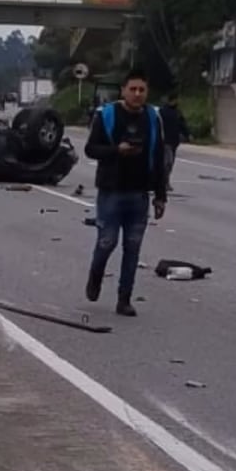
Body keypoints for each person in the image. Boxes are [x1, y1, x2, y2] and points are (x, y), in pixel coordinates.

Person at [83, 70, 168, 316]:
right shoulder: (106, 115)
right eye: (133, 89)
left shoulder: (154, 118)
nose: (137, 94)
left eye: (142, 90)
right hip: (112, 192)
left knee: (133, 247)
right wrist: (116, 150)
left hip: (140, 193)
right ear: (123, 90)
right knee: (107, 242)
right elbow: (90, 149)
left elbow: (160, 156)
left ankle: (124, 298)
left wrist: (160, 196)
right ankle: (95, 274)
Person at [158, 94, 191, 192]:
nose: (176, 102)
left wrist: (187, 134)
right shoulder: (162, 112)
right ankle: (163, 182)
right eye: (174, 100)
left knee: (170, 163)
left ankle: (165, 181)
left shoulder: (177, 112)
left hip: (174, 141)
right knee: (167, 162)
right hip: (165, 141)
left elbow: (182, 124)